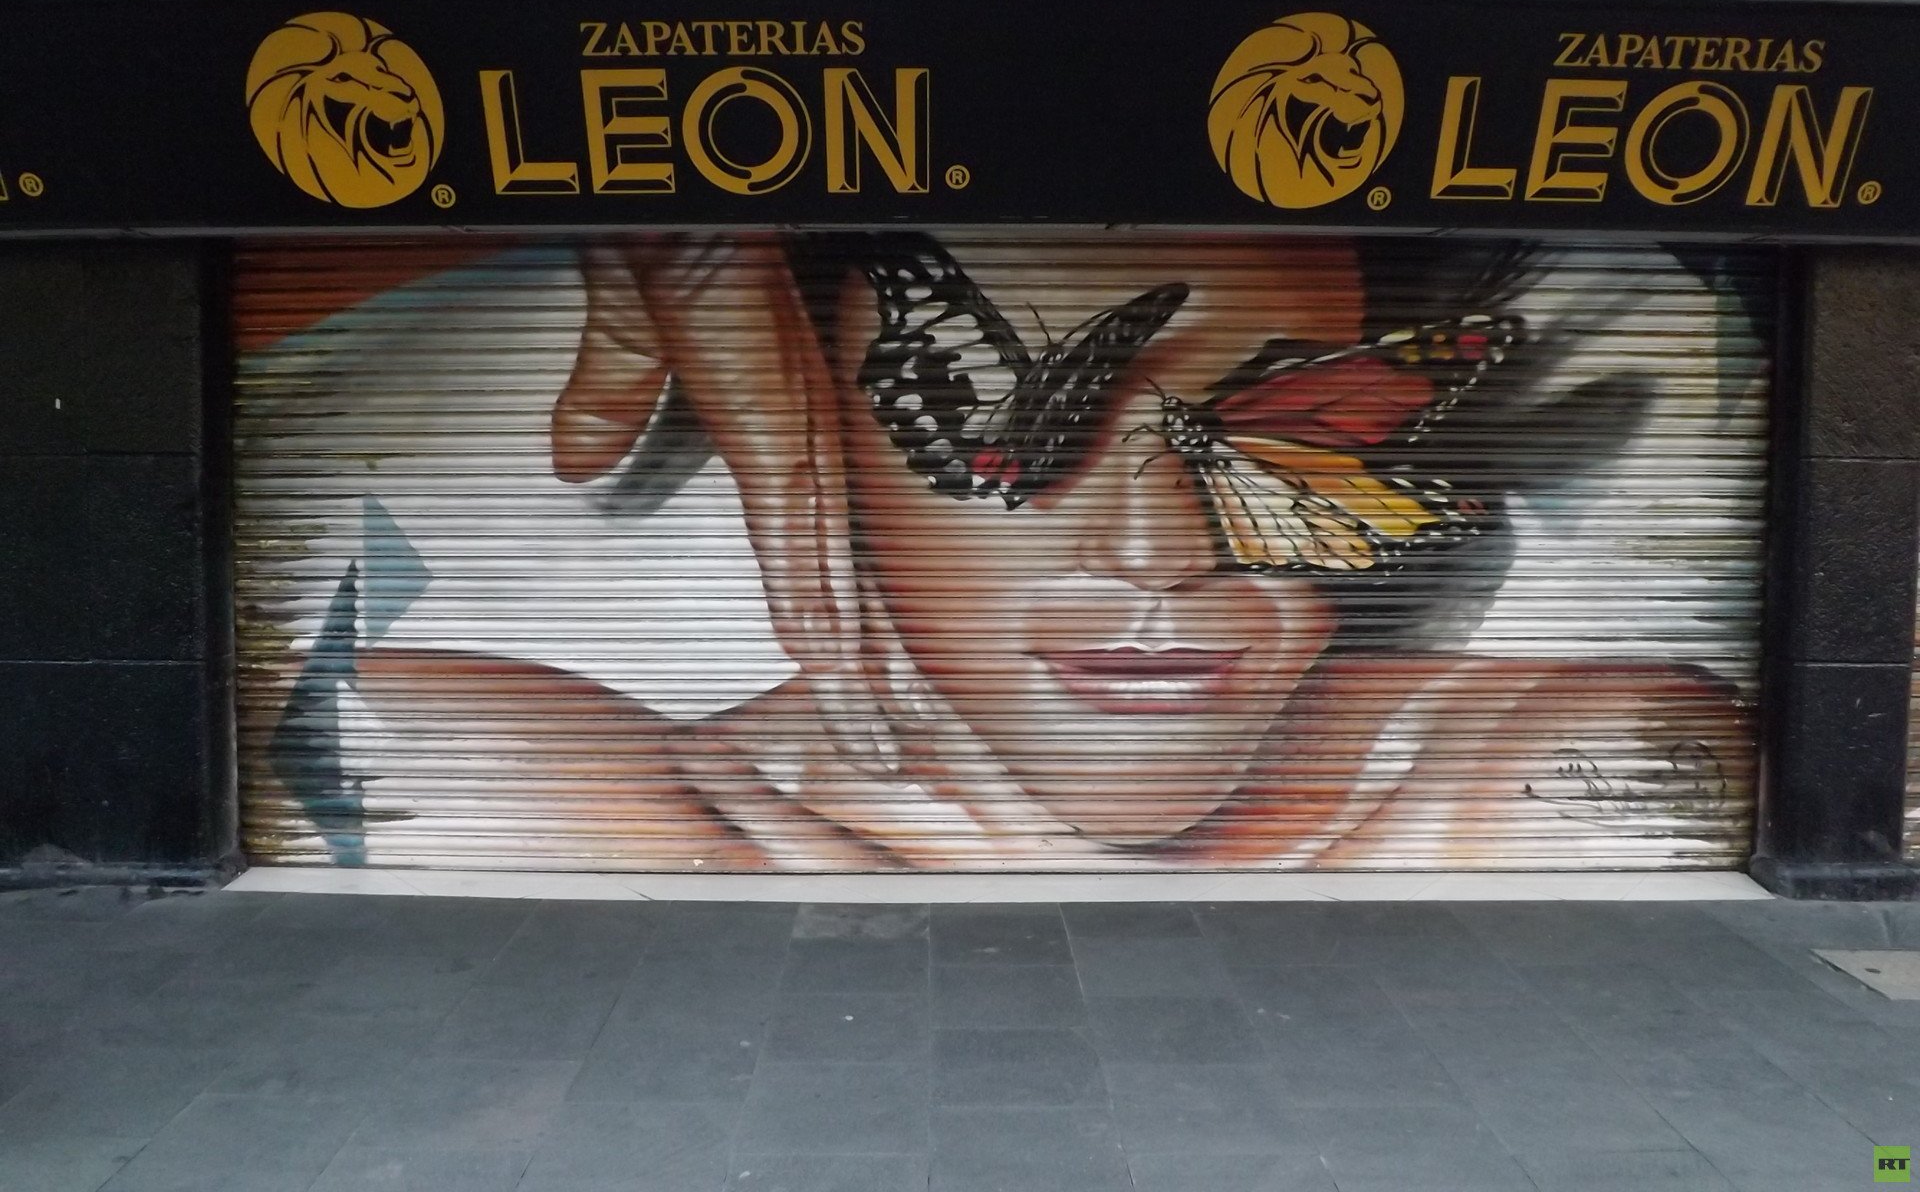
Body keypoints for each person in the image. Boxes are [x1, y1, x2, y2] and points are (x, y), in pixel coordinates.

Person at [292, 228, 1746, 870]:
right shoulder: (486, 767)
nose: (1160, 552)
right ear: (814, 449)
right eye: (1027, 440)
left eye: (1262, 425)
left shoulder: (1576, 765)